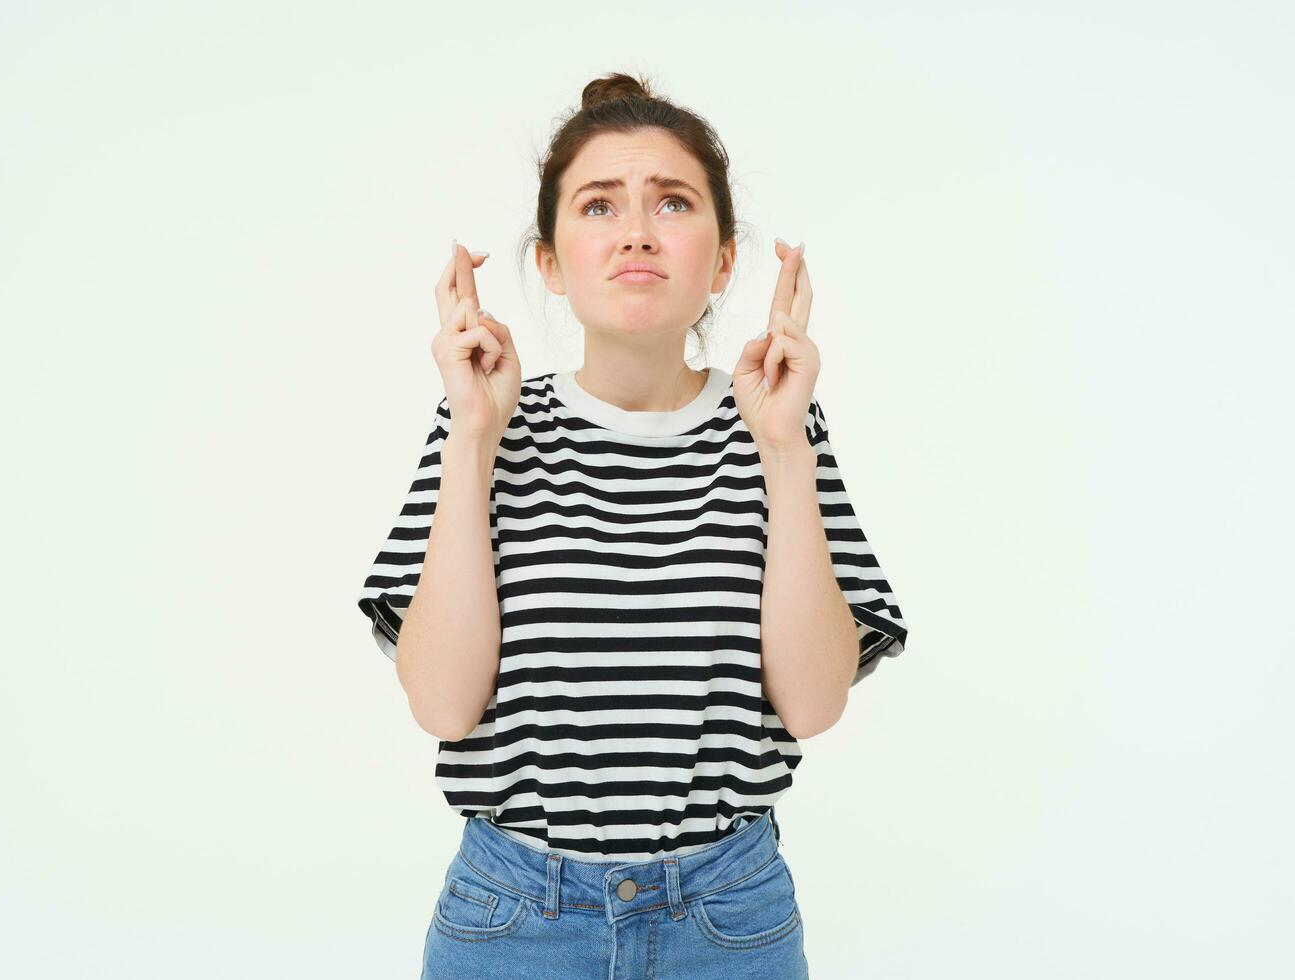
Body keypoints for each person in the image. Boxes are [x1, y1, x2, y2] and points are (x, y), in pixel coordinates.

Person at [356, 71, 909, 980]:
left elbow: (812, 707)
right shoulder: (485, 423)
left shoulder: (778, 426)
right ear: (550, 261)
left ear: (725, 259)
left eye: (674, 203)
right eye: (600, 206)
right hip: (515, 920)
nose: (638, 232)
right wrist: (474, 436)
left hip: (729, 918)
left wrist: (779, 447)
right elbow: (442, 707)